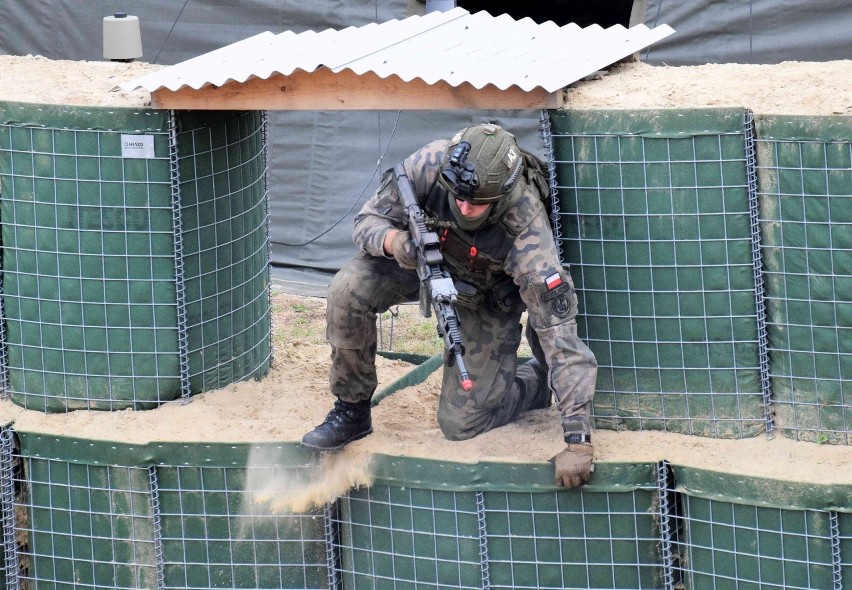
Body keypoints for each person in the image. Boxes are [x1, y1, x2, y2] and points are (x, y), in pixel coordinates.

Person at [301, 123, 598, 489]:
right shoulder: (429, 165)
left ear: (502, 195)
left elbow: (561, 339)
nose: (464, 206)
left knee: (461, 425)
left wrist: (578, 442)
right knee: (348, 287)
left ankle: (533, 382)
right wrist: (396, 242)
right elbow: (366, 222)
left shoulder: (527, 231)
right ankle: (352, 410)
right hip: (417, 263)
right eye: (457, 196)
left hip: (484, 294)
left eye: (476, 203)